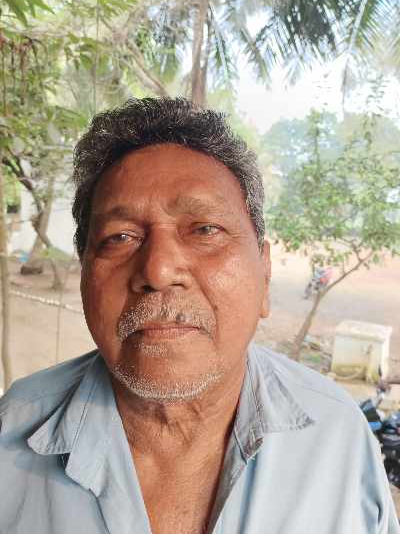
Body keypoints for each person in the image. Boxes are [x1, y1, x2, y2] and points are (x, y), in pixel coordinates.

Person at [0, 97, 398, 534]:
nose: (158, 270)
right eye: (120, 237)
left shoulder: (337, 437)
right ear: (84, 277)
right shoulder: (10, 440)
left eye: (205, 229)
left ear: (264, 275)